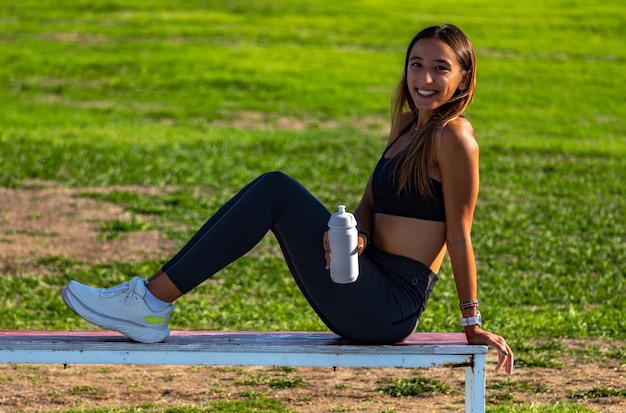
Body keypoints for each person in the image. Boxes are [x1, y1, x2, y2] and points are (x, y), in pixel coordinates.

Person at [62, 23, 514, 375]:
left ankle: (150, 301)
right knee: (266, 192)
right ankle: (150, 298)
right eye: (416, 64)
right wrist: (352, 234)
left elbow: (459, 235)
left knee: (275, 190)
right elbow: (370, 206)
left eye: (440, 67)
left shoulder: (455, 138)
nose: (426, 78)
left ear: (464, 76)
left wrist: (470, 324)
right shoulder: (406, 126)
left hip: (388, 307)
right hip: (364, 274)